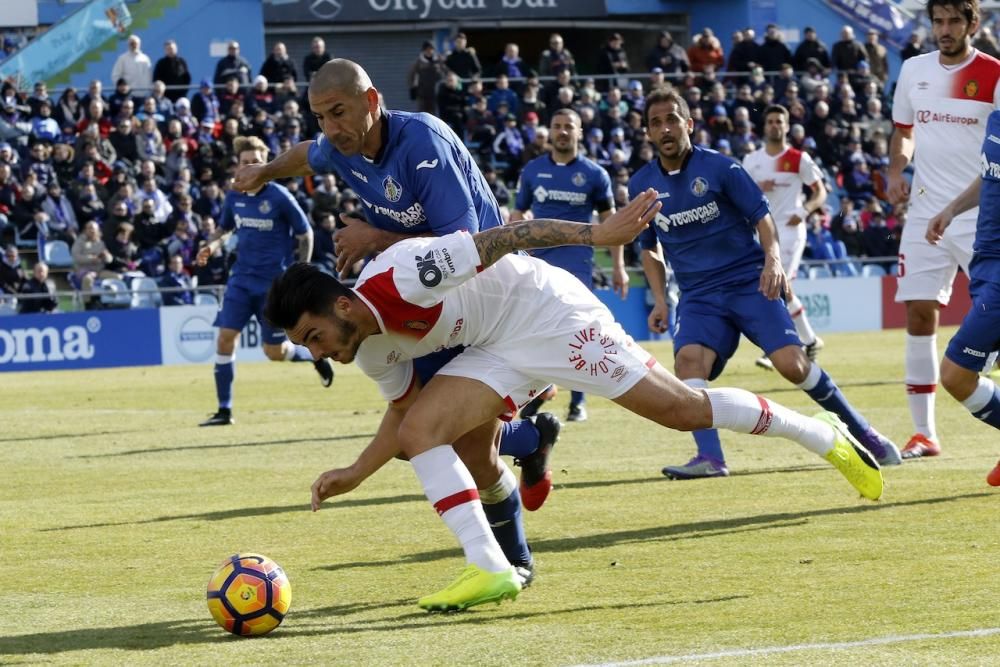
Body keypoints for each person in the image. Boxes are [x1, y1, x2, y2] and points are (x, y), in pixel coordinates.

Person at [263, 190, 885, 612]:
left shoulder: (403, 273)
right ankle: (490, 567)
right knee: (423, 432)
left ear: (341, 304)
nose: (316, 353)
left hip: (549, 315)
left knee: (682, 411)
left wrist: (598, 233)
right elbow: (402, 416)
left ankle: (819, 433)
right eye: (304, 347)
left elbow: (508, 236)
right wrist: (352, 473)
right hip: (497, 347)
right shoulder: (369, 350)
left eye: (313, 337)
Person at [231, 57, 562, 556]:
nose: (330, 128)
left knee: (450, 441)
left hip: (479, 300)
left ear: (371, 101)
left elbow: (463, 243)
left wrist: (377, 236)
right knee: (426, 436)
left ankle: (512, 555)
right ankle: (527, 443)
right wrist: (265, 171)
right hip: (421, 305)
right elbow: (308, 155)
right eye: (320, 117)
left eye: (338, 113)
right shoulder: (340, 147)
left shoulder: (422, 143)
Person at [630, 89, 900, 480]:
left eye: (672, 119)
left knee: (792, 366)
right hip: (699, 296)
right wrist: (659, 299)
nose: (665, 128)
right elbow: (648, 247)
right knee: (688, 363)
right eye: (656, 123)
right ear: (649, 133)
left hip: (748, 282)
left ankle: (864, 432)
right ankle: (711, 458)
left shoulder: (722, 168)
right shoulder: (642, 183)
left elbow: (763, 218)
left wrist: (772, 260)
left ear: (689, 125)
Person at [887, 0, 1000, 459]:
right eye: (938, 21)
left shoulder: (993, 74)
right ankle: (924, 433)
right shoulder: (913, 70)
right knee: (917, 312)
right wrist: (897, 170)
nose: (945, 29)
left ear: (973, 23)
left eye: (955, 20)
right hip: (924, 210)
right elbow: (904, 131)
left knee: (992, 324)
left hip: (981, 216)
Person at [195, 135, 334, 427]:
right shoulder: (233, 196)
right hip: (241, 281)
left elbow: (304, 233)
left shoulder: (279, 196)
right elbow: (223, 229)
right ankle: (224, 410)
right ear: (238, 165)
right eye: (246, 162)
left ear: (266, 162)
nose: (250, 166)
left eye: (256, 161)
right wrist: (212, 245)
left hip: (274, 287)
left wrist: (299, 271)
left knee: (274, 352)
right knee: (224, 338)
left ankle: (311, 356)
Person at [511, 108, 624, 423]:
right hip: (538, 266)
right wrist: (512, 251)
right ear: (549, 131)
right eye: (557, 126)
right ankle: (539, 391)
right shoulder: (533, 171)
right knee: (533, 332)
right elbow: (517, 215)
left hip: (577, 266)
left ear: (579, 132)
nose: (562, 132)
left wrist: (619, 266)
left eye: (568, 127)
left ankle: (578, 401)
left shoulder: (594, 175)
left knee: (579, 333)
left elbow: (609, 223)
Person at [926, 110, 1000, 486]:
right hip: (985, 260)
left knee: (955, 376)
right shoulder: (996, 121)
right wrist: (951, 210)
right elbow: (989, 175)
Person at [742, 105, 828, 370]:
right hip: (764, 230)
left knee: (777, 285)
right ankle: (810, 340)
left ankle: (778, 346)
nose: (775, 125)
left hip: (790, 230)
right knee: (778, 288)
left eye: (779, 121)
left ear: (787, 126)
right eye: (770, 121)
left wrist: (803, 211)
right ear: (764, 126)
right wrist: (758, 188)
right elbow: (740, 195)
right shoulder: (752, 161)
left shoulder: (797, 158)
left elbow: (820, 192)